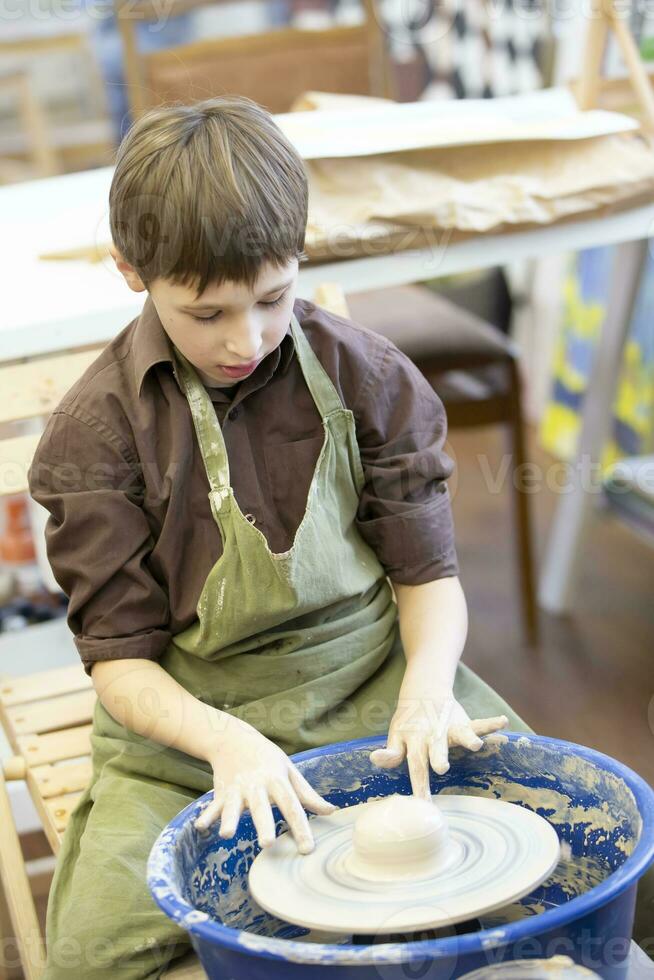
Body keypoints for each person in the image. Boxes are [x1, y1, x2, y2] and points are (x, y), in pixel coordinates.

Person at [27, 94, 534, 979]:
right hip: (188, 731)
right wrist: (227, 745)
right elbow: (120, 663)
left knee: (583, 851)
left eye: (273, 298)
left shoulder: (371, 376)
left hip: (377, 687)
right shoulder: (94, 434)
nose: (247, 339)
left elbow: (427, 576)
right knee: (90, 957)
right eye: (207, 312)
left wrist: (423, 692)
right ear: (130, 271)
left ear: (301, 257)